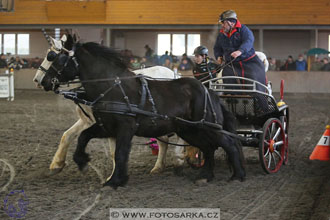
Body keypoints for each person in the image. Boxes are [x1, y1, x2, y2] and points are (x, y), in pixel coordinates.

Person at [213, 10, 266, 91]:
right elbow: (217, 47)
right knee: (226, 76)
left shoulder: (244, 30)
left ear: (231, 23)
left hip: (249, 62)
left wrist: (240, 51)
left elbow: (249, 41)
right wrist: (218, 56)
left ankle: (261, 98)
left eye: (223, 23)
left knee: (254, 75)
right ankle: (230, 97)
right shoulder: (221, 35)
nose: (222, 25)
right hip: (232, 64)